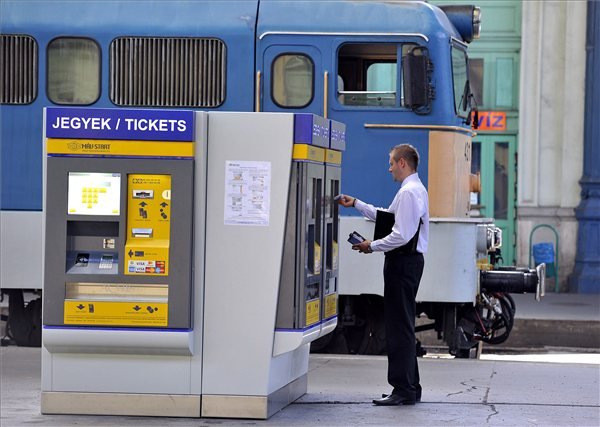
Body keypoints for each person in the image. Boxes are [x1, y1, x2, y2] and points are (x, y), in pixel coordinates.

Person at [338, 143, 429, 406]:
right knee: (403, 324)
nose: (389, 168)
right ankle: (411, 387)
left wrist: (372, 246)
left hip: (403, 263)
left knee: (398, 326)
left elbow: (401, 234)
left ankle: (403, 389)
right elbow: (387, 217)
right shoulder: (411, 191)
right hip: (406, 263)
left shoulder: (410, 193)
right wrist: (356, 204)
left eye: (391, 163)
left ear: (403, 163)